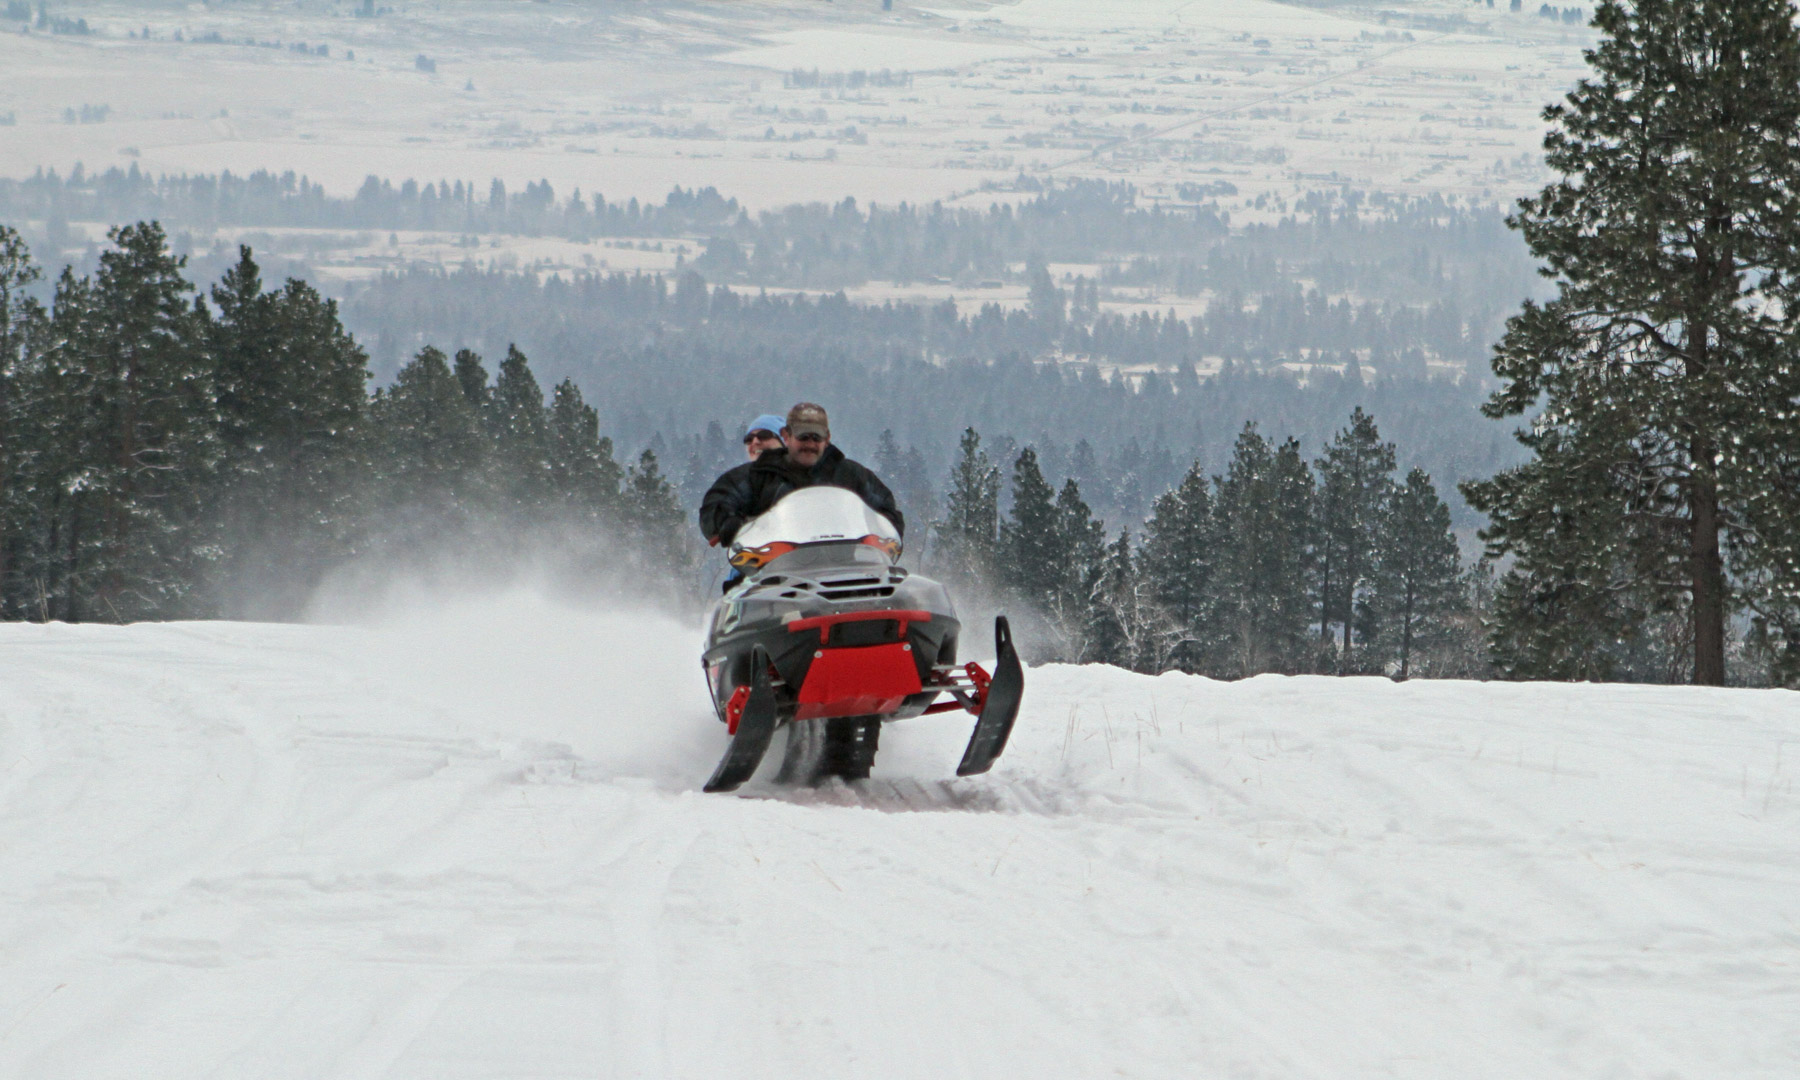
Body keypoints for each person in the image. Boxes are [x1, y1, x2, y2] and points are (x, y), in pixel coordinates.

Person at [699, 402, 903, 550]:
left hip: (848, 566)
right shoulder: (757, 475)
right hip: (772, 572)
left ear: (828, 438)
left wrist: (883, 528)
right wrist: (726, 521)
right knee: (737, 589)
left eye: (817, 437)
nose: (810, 444)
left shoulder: (851, 475)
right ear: (787, 436)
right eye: (803, 436)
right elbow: (717, 502)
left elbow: (886, 509)